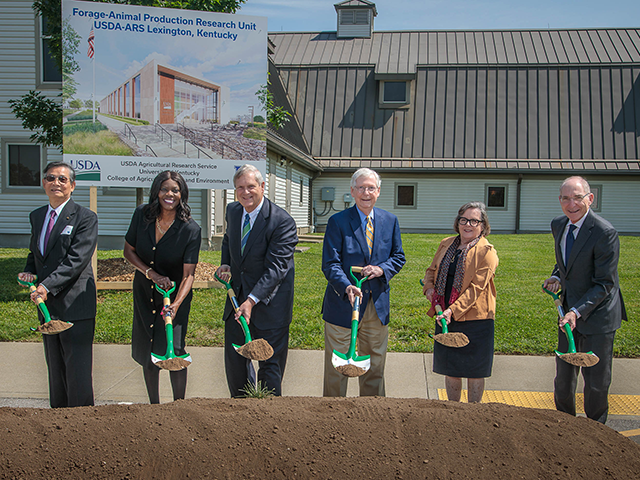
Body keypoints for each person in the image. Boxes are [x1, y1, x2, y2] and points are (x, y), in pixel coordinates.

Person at [543, 176, 626, 424]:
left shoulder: (604, 232)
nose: (572, 204)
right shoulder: (559, 224)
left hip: (598, 316)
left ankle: (595, 430)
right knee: (564, 380)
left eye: (577, 197)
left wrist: (576, 312)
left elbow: (605, 283)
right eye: (566, 198)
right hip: (568, 314)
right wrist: (555, 276)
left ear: (590, 199)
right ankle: (565, 428)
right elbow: (566, 262)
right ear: (560, 201)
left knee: (596, 383)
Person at [18, 162, 98, 408]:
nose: (56, 183)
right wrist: (29, 272)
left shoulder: (86, 218)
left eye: (63, 179)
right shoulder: (37, 216)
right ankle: (58, 424)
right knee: (55, 368)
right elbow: (37, 253)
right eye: (51, 178)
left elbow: (76, 261)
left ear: (72, 186)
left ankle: (82, 424)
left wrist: (46, 286)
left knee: (78, 371)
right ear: (44, 184)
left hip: (75, 303)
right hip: (47, 307)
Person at [321, 168, 405, 397]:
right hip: (342, 303)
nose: (365, 192)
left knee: (374, 364)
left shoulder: (390, 221)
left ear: (378, 191)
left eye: (370, 188)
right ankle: (333, 412)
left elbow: (398, 257)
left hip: (376, 304)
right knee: (337, 364)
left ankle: (373, 415)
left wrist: (381, 269)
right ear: (352, 191)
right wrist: (345, 285)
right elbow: (330, 262)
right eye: (360, 187)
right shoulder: (338, 221)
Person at [217, 164, 298, 398]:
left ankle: (268, 417)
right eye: (240, 188)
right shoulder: (233, 211)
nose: (245, 192)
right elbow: (228, 239)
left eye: (251, 186)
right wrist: (227, 263)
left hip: (271, 305)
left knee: (269, 366)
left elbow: (276, 268)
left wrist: (252, 301)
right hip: (237, 301)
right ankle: (242, 412)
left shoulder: (281, 222)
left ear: (262, 187)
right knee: (235, 364)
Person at [124, 171, 201, 404]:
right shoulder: (142, 215)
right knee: (149, 348)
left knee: (174, 348)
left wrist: (176, 305)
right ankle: (154, 406)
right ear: (156, 191)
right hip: (145, 292)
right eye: (165, 189)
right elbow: (129, 251)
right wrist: (152, 274)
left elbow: (188, 275)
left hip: (174, 297)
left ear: (182, 194)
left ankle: (179, 405)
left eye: (175, 190)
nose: (170, 194)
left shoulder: (190, 229)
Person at [422, 202, 498, 403]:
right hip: (445, 314)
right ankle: (452, 410)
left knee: (474, 370)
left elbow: (476, 289)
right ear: (458, 222)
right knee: (451, 367)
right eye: (464, 219)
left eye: (474, 221)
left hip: (476, 319)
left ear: (483, 225)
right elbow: (431, 271)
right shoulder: (447, 244)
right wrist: (429, 288)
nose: (468, 224)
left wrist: (452, 311)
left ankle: (473, 413)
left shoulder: (487, 252)